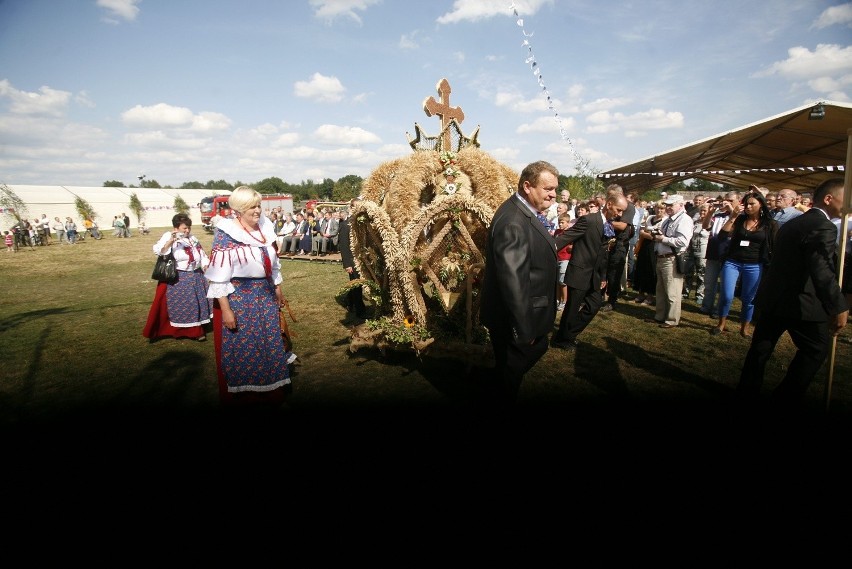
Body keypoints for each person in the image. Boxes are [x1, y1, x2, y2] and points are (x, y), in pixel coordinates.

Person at [737, 178, 849, 414]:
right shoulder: (823, 226)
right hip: (802, 302)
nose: (848, 204)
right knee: (816, 349)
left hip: (774, 297)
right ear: (829, 199)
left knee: (760, 349)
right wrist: (838, 306)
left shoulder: (795, 223)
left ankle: (746, 393)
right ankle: (785, 398)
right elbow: (821, 268)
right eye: (845, 198)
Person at [205, 186, 296, 406]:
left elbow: (273, 265)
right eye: (251, 207)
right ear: (238, 210)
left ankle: (272, 389)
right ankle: (249, 396)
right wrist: (226, 310)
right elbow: (218, 278)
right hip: (240, 300)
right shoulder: (226, 235)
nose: (257, 211)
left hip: (264, 297)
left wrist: (277, 289)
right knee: (247, 346)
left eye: (258, 206)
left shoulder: (265, 229)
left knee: (270, 342)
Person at [480, 160, 559, 404]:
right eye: (548, 189)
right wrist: (524, 330)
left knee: (509, 372)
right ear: (527, 186)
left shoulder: (522, 213)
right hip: (515, 320)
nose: (553, 194)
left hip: (521, 316)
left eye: (555, 189)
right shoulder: (514, 221)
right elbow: (512, 281)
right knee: (509, 376)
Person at [552, 191, 628, 349]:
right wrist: (547, 249)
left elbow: (603, 254)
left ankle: (567, 334)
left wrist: (603, 276)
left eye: (623, 211)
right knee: (572, 309)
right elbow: (566, 237)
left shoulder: (608, 224)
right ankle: (562, 340)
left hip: (594, 274)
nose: (620, 214)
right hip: (580, 271)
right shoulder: (588, 220)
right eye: (619, 210)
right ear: (609, 205)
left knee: (594, 305)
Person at [711, 191, 777, 338]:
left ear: (761, 205)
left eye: (752, 203)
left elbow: (775, 245)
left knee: (749, 298)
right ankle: (720, 324)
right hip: (732, 262)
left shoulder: (769, 224)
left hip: (754, 265)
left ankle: (744, 328)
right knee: (727, 296)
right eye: (746, 203)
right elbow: (721, 237)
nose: (748, 206)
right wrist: (733, 217)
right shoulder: (739, 220)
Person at [143, 213, 213, 342]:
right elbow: (160, 251)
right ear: (176, 228)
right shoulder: (168, 236)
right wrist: (171, 241)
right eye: (184, 228)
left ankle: (201, 325)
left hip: (197, 275)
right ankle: (193, 331)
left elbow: (201, 254)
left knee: (199, 302)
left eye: (189, 228)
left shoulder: (192, 238)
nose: (187, 230)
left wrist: (205, 265)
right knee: (189, 304)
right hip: (180, 278)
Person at [647, 194, 693, 328]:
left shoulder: (684, 220)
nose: (668, 208)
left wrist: (663, 239)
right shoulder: (668, 220)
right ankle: (660, 316)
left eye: (671, 205)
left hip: (672, 258)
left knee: (672, 291)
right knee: (660, 290)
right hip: (661, 257)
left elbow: (683, 241)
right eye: (667, 205)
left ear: (680, 205)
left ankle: (672, 319)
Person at [700, 191, 740, 317]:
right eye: (726, 200)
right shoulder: (718, 215)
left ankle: (720, 310)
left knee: (725, 285)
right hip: (713, 252)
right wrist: (710, 213)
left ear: (739, 201)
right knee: (709, 282)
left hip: (729, 255)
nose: (727, 202)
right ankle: (707, 306)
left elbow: (739, 227)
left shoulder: (741, 216)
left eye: (731, 200)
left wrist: (732, 211)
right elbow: (706, 226)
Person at [600, 184, 635, 313]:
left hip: (619, 244)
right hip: (606, 243)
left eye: (612, 195)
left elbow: (622, 226)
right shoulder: (609, 205)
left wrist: (602, 222)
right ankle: (599, 298)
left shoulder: (628, 207)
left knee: (614, 274)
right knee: (602, 270)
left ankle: (612, 301)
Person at [338, 198, 367, 324]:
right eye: (356, 207)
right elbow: (343, 246)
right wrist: (347, 264)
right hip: (352, 260)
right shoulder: (346, 225)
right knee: (357, 284)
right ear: (351, 207)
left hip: (362, 259)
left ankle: (350, 301)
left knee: (357, 283)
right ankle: (360, 311)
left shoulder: (363, 223)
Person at [553, 213, 572, 311]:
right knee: (557, 281)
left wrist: (571, 248)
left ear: (568, 223)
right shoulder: (557, 232)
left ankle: (564, 301)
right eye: (559, 222)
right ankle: (557, 300)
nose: (560, 224)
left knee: (562, 282)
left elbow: (573, 245)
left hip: (565, 259)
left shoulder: (570, 233)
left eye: (562, 222)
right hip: (557, 258)